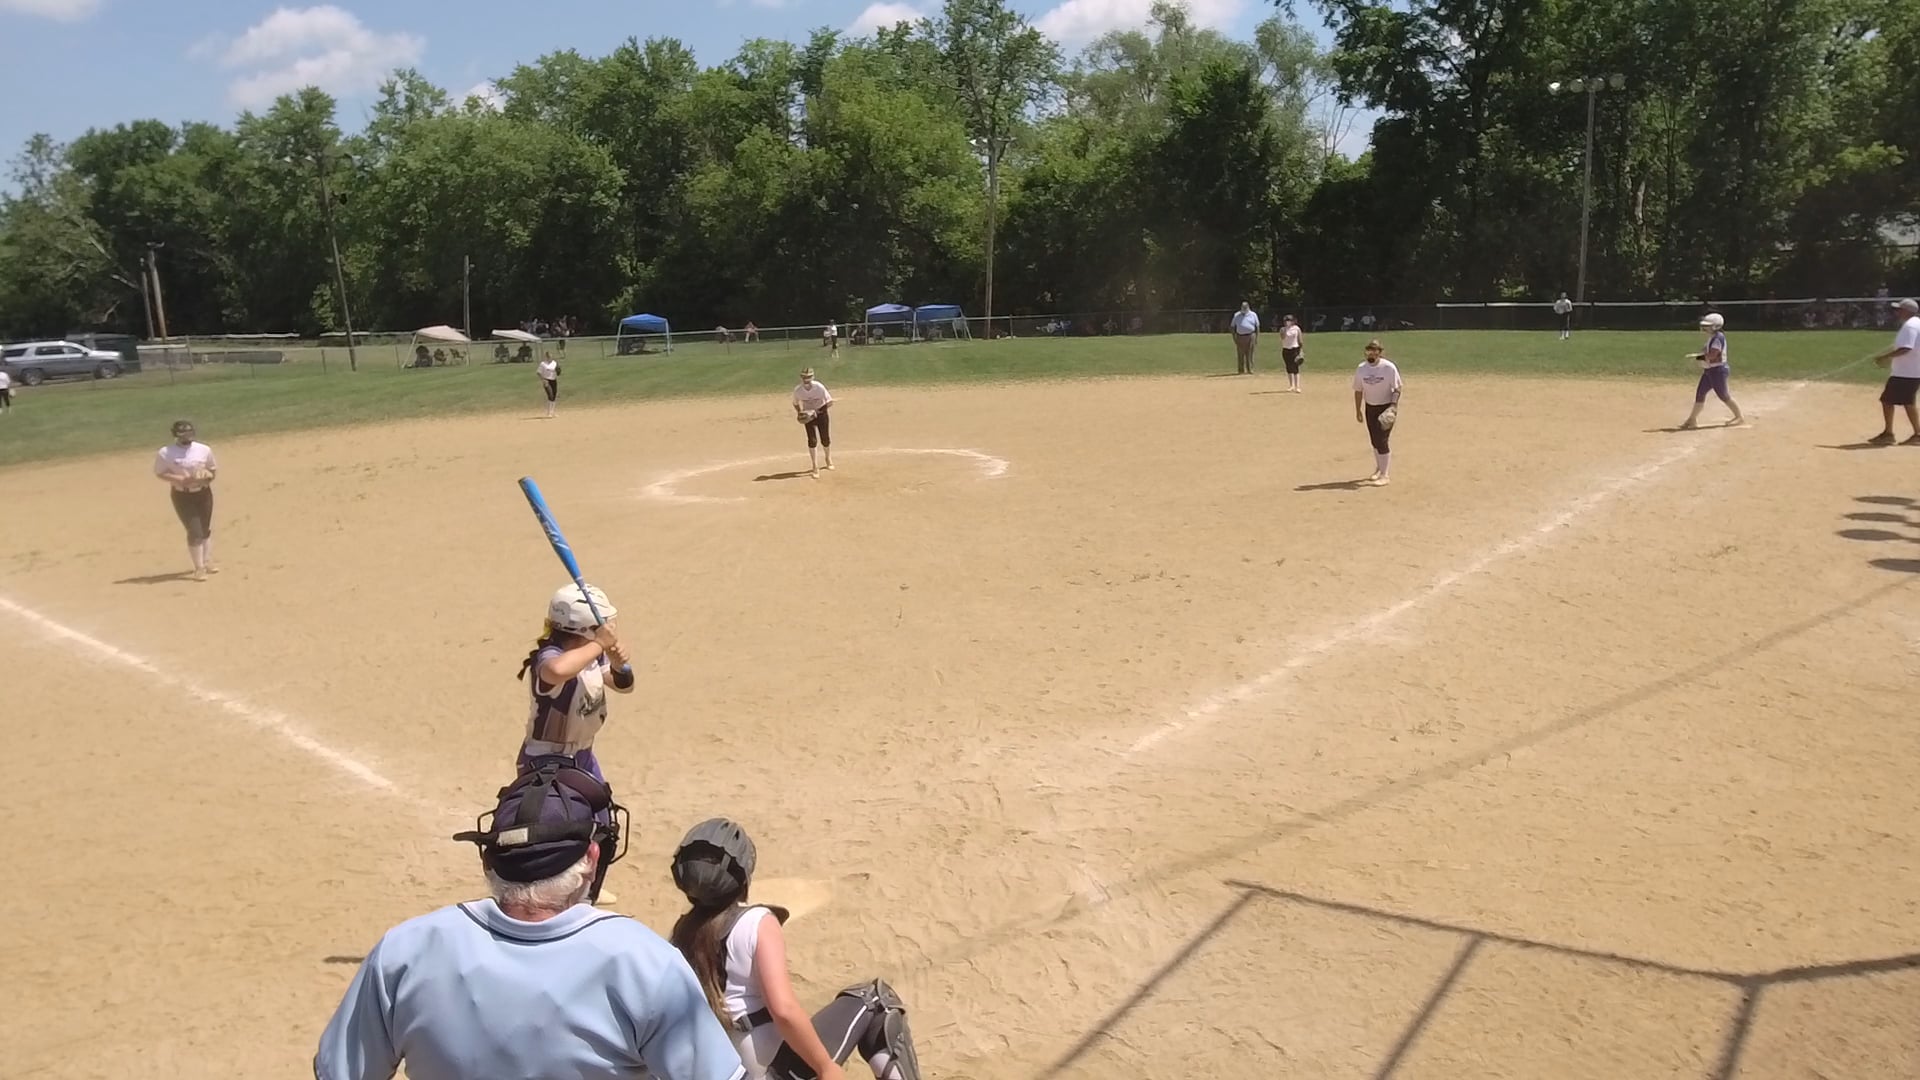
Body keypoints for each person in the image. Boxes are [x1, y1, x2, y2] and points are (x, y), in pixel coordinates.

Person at [315, 771, 747, 1080]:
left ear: (488, 860)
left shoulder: (404, 951)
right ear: (591, 859)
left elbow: (341, 1071)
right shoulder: (646, 963)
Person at [669, 818, 923, 1080]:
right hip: (767, 1073)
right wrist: (825, 1066)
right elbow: (784, 1011)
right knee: (877, 1000)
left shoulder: (679, 935)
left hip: (714, 1071)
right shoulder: (756, 923)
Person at [153, 419, 219, 580]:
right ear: (176, 435)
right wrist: (179, 479)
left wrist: (207, 477)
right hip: (182, 495)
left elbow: (212, 469)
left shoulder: (203, 449)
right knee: (195, 531)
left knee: (205, 529)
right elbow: (160, 473)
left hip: (203, 493)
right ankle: (199, 568)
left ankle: (206, 562)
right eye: (183, 433)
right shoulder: (165, 452)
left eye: (189, 432)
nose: (187, 436)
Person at [1868, 298, 1920, 446]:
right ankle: (1889, 433)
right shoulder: (1916, 323)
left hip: (1906, 372)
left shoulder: (1910, 326)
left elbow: (1906, 348)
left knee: (1903, 402)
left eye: (1900, 309)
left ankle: (1914, 434)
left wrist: (1885, 357)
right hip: (1910, 371)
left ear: (1907, 311)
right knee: (1892, 401)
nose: (1897, 312)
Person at [1681, 312, 1744, 429]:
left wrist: (1697, 357)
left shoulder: (1718, 338)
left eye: (1708, 326)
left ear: (1716, 326)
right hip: (1709, 370)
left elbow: (1713, 355)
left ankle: (1739, 417)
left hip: (1718, 371)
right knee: (1700, 394)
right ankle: (1692, 419)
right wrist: (1699, 355)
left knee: (1723, 395)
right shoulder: (1712, 338)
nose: (1705, 328)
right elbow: (1706, 351)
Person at [1352, 340, 1402, 487]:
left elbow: (1397, 388)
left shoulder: (1388, 367)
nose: (1371, 353)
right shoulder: (1361, 369)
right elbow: (1358, 390)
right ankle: (1380, 468)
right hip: (1370, 408)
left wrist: (1393, 406)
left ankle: (1385, 475)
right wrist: (1358, 410)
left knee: (1382, 440)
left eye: (1375, 351)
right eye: (1369, 350)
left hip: (1386, 408)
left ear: (1380, 352)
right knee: (1374, 440)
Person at [793, 368, 834, 478]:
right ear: (801, 377)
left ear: (813, 377)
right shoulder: (798, 390)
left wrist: (817, 412)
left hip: (821, 414)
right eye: (804, 377)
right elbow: (795, 403)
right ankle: (815, 466)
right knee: (812, 440)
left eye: (809, 377)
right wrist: (800, 412)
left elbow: (829, 402)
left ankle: (828, 458)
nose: (806, 379)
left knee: (825, 438)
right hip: (808, 416)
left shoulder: (819, 387)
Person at [1231, 301, 1259, 375]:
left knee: (1250, 353)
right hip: (1240, 336)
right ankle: (1241, 370)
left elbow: (1257, 326)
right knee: (1240, 353)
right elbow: (1232, 326)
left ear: (1248, 307)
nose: (1243, 309)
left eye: (1245, 308)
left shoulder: (1253, 315)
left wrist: (1256, 337)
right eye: (1242, 308)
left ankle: (1250, 369)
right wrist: (1234, 337)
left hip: (1251, 335)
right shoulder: (1236, 315)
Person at [1280, 315, 1305, 393]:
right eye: (1286, 321)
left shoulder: (1297, 328)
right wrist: (1285, 329)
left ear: (1293, 321)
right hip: (1286, 350)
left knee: (1295, 367)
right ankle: (1291, 386)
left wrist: (1301, 350)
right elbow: (1282, 337)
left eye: (1289, 320)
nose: (1287, 322)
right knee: (1288, 367)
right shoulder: (1283, 329)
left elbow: (1300, 340)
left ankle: (1297, 386)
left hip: (1294, 349)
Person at [537, 350, 560, 418]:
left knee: (554, 396)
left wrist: (558, 370)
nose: (550, 358)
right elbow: (538, 373)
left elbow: (558, 371)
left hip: (554, 380)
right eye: (549, 357)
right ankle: (549, 412)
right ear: (546, 357)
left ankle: (553, 412)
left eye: (551, 356)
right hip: (547, 380)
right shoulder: (543, 364)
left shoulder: (554, 363)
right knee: (550, 395)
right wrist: (543, 380)